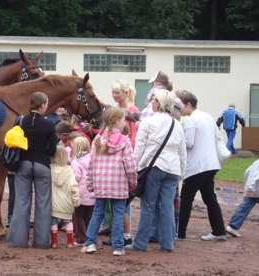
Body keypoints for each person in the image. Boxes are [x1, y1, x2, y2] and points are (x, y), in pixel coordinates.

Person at [125, 90, 186, 253]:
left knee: (148, 205)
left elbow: (139, 149)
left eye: (153, 99)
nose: (151, 101)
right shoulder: (177, 124)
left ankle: (141, 242)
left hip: (154, 168)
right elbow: (182, 151)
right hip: (172, 169)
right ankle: (167, 244)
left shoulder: (148, 122)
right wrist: (183, 172)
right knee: (167, 207)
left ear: (158, 103)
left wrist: (133, 168)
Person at [81, 107, 137, 257]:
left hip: (101, 183)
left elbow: (91, 163)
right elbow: (130, 165)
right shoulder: (125, 141)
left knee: (97, 213)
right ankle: (118, 247)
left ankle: (90, 243)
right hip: (119, 184)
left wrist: (90, 183)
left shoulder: (97, 140)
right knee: (118, 214)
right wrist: (132, 182)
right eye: (123, 119)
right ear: (118, 121)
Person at [7, 92, 58, 248]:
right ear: (42, 105)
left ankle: (18, 241)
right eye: (46, 104)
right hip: (42, 166)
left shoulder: (21, 122)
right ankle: (42, 242)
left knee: (21, 202)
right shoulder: (49, 124)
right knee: (43, 203)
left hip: (23, 164)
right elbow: (51, 150)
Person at [177, 91, 227, 241]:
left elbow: (188, 143)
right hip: (211, 163)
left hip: (197, 166)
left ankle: (180, 233)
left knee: (186, 198)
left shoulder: (191, 121)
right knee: (210, 197)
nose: (180, 109)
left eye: (181, 105)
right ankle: (219, 230)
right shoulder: (208, 116)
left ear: (188, 104)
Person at [50, 146, 80, 249]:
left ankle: (54, 242)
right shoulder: (69, 170)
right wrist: (76, 201)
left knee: (53, 223)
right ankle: (70, 242)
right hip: (67, 203)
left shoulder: (50, 169)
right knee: (68, 222)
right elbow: (73, 187)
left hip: (54, 203)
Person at [70, 137, 94, 245]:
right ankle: (90, 238)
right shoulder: (93, 158)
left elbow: (76, 177)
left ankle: (82, 239)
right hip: (92, 192)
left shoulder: (76, 161)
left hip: (80, 193)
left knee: (78, 216)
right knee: (88, 216)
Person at [226, 159, 259, 237]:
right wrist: (251, 188)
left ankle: (232, 227)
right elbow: (255, 176)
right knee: (243, 208)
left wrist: (247, 186)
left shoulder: (257, 161)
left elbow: (247, 172)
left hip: (251, 190)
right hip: (253, 189)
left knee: (243, 209)